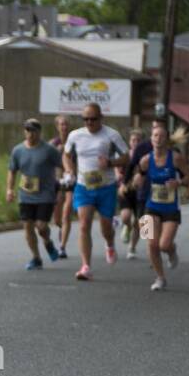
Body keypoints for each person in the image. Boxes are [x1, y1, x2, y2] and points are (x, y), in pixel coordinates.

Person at [63, 105, 127, 281]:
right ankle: (86, 266)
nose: (89, 122)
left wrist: (111, 163)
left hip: (106, 187)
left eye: (93, 119)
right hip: (84, 187)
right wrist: (69, 170)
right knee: (84, 224)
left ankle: (110, 243)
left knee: (106, 226)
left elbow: (126, 156)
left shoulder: (111, 134)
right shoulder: (75, 135)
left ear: (101, 118)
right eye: (86, 119)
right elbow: (66, 155)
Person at [131, 119, 189, 291]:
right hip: (151, 205)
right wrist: (137, 181)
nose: (158, 138)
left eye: (162, 136)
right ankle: (160, 278)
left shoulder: (176, 158)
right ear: (151, 138)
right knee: (150, 243)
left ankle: (172, 251)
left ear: (167, 139)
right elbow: (138, 178)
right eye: (155, 135)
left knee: (164, 245)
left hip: (171, 208)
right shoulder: (145, 160)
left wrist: (178, 183)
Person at [6, 118, 61, 269]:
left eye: (33, 130)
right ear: (24, 131)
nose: (30, 133)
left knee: (41, 227)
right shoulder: (18, 150)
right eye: (27, 130)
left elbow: (63, 163)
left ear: (39, 132)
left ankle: (48, 242)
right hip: (25, 194)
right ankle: (36, 258)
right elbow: (12, 171)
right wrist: (9, 189)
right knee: (28, 227)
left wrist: (64, 177)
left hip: (45, 194)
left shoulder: (49, 150)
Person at [118, 125, 151, 260]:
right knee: (125, 217)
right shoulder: (125, 155)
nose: (135, 143)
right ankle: (127, 226)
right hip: (127, 189)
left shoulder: (147, 157)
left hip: (142, 192)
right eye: (133, 140)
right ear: (129, 141)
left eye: (138, 140)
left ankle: (132, 247)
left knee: (141, 222)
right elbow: (118, 168)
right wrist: (121, 183)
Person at [49, 114, 76, 258]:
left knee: (67, 213)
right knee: (57, 217)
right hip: (57, 182)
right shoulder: (52, 144)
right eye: (61, 124)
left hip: (72, 182)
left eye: (66, 124)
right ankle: (61, 227)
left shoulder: (75, 143)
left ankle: (62, 247)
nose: (64, 127)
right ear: (57, 126)